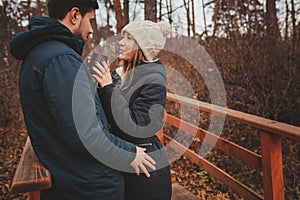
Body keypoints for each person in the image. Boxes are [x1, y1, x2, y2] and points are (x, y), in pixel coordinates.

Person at [9, 0, 156, 199]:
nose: (91, 30)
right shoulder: (61, 58)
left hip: (70, 174)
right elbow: (84, 134)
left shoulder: (44, 53)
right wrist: (129, 153)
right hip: (89, 184)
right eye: (90, 21)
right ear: (75, 15)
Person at [92, 20, 172, 200]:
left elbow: (138, 127)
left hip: (146, 171)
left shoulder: (154, 79)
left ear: (142, 47)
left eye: (129, 38)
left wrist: (107, 87)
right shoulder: (123, 73)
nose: (121, 42)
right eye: (122, 37)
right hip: (125, 162)